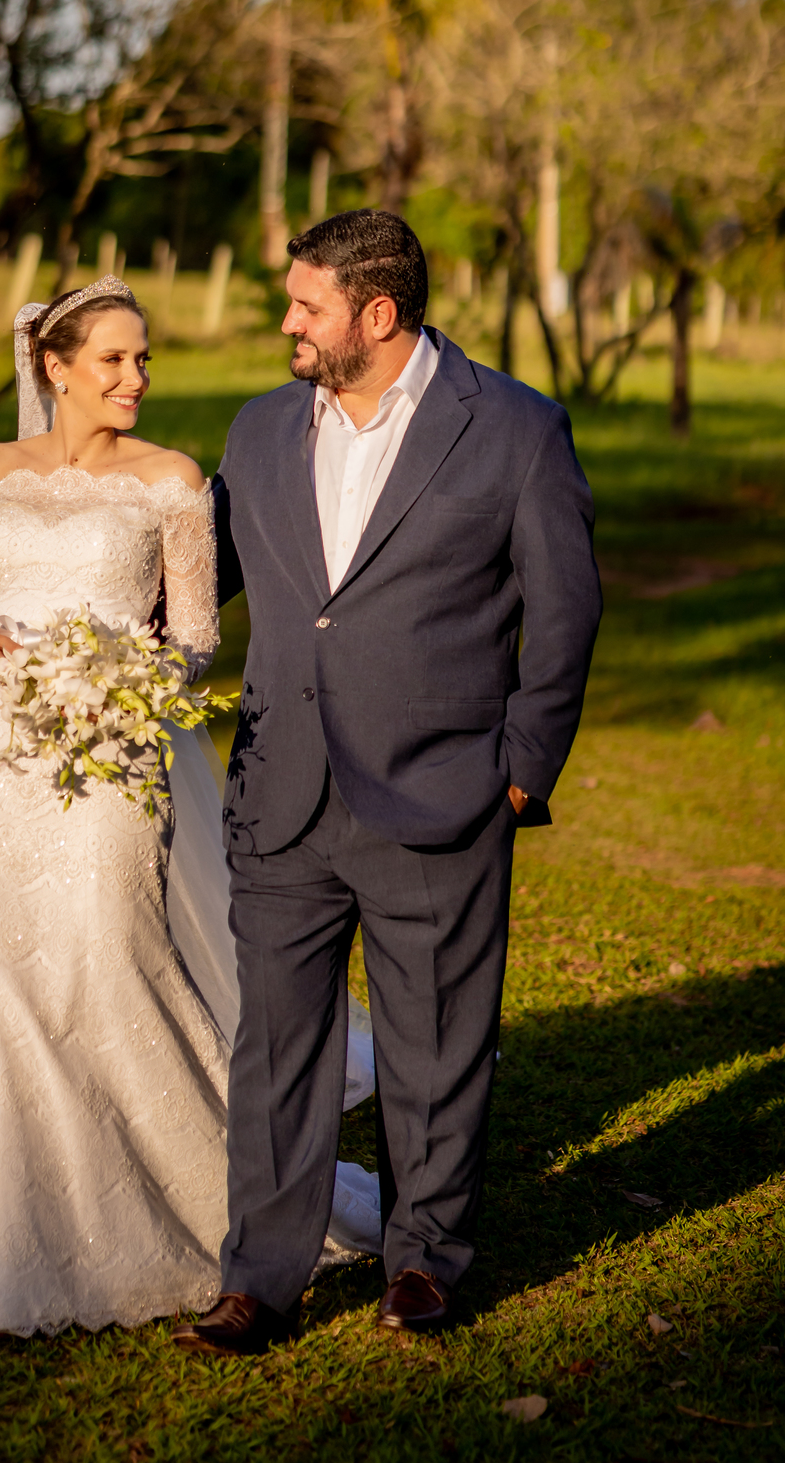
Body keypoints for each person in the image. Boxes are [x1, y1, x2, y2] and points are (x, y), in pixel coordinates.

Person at [0, 275, 378, 1337]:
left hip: (115, 753)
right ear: (55, 367)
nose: (137, 379)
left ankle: (197, 1201)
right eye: (114, 359)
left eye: (144, 358)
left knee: (107, 953)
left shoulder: (171, 481)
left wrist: (116, 681)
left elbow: (197, 637)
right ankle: (3, 1211)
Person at [172, 211, 602, 1357]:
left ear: (376, 313)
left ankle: (424, 1260)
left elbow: (565, 611)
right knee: (276, 1051)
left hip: (445, 792)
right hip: (282, 792)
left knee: (436, 1044)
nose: (286, 321)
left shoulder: (514, 427)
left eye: (306, 305)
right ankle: (260, 1281)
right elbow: (199, 583)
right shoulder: (261, 427)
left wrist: (522, 773)